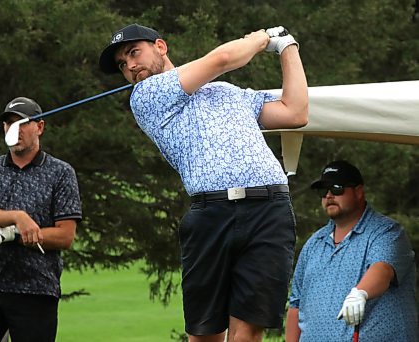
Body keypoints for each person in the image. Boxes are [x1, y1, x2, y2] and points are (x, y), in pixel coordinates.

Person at [99, 23, 308, 341]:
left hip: (269, 209)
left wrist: (287, 48)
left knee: (249, 331)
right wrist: (258, 39)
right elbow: (223, 58)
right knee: (205, 333)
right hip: (212, 214)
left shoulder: (227, 92)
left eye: (132, 53)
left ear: (160, 46)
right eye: (121, 64)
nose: (129, 66)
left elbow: (294, 113)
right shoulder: (145, 97)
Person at [0, 97, 82, 342]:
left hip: (37, 290)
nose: (13, 129)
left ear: (39, 127)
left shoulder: (61, 173)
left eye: (21, 123)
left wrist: (12, 234)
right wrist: (17, 218)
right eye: (8, 124)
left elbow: (64, 236)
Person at [286, 160, 417, 342]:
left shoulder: (387, 232)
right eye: (323, 191)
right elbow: (296, 305)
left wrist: (360, 293)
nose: (329, 195)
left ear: (358, 192)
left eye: (337, 188)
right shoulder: (313, 244)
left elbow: (383, 269)